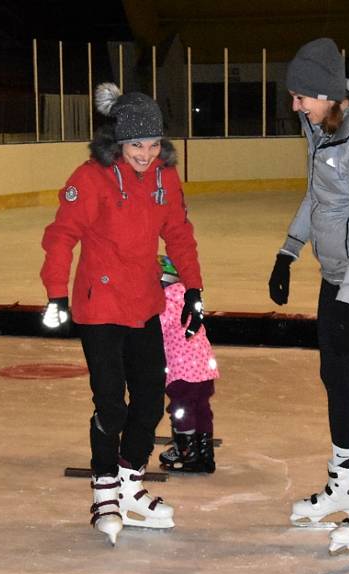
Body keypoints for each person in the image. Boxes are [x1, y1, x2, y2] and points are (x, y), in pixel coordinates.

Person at [40, 82, 205, 545]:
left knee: (152, 401)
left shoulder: (164, 178)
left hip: (144, 304)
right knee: (111, 403)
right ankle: (104, 488)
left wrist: (194, 287)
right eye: (136, 144)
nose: (146, 153)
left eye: (154, 144)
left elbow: (179, 233)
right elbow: (60, 236)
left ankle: (131, 482)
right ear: (118, 141)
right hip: (100, 307)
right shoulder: (90, 178)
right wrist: (56, 294)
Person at [268, 38, 349, 553]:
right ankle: (344, 481)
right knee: (334, 376)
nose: (295, 105)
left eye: (302, 96)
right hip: (337, 275)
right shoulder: (322, 125)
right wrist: (289, 250)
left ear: (328, 93)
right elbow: (318, 194)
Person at [156, 254, 220, 473]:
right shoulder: (186, 298)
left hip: (182, 370)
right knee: (202, 407)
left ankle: (186, 452)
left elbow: (156, 332)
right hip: (204, 367)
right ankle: (205, 453)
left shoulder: (163, 303)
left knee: (182, 409)